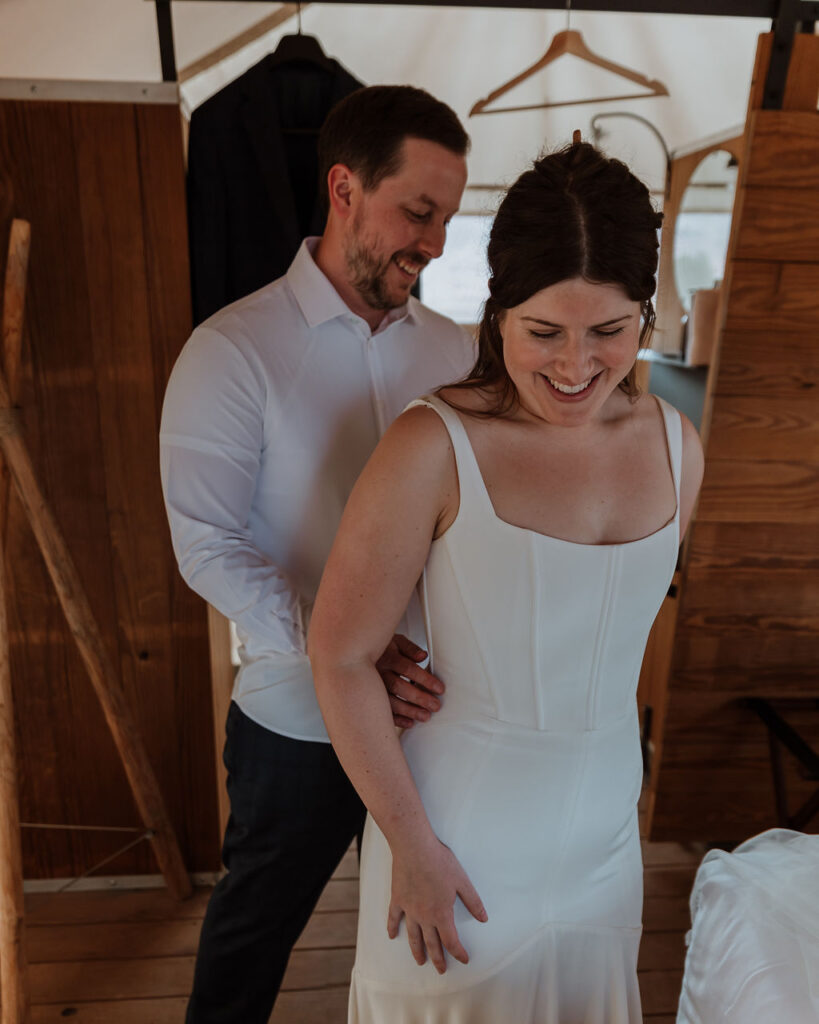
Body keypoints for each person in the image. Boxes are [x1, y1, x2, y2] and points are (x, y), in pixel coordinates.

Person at [308, 139, 705, 1023]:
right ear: (496, 317)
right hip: (455, 839)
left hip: (605, 836)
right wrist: (409, 846)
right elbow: (338, 655)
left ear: (646, 313)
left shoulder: (678, 445)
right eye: (542, 333)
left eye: (608, 331)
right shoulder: (430, 446)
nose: (573, 368)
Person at [159, 85, 475, 1024]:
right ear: (344, 188)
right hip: (294, 719)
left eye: (449, 217)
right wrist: (346, 643)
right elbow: (205, 545)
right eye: (418, 212)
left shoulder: (459, 356)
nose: (437, 243)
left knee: (434, 941)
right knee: (253, 938)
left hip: (436, 721)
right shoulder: (231, 350)